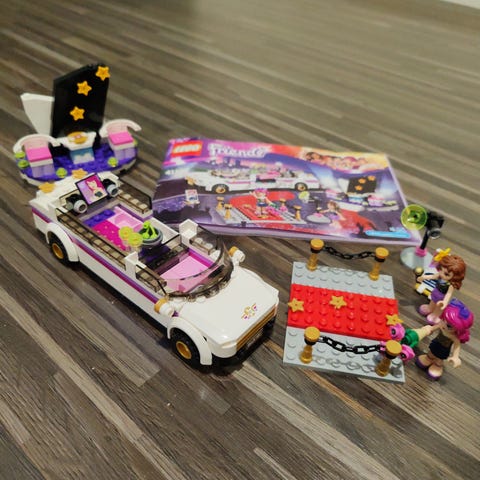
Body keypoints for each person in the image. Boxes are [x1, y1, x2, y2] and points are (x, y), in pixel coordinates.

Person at [416, 298, 474, 380]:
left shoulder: (453, 336)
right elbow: (434, 327)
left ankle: (437, 365)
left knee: (439, 359)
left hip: (444, 348)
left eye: (449, 326)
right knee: (431, 353)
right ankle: (429, 358)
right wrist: (430, 329)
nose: (443, 324)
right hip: (436, 342)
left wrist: (455, 357)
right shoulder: (441, 325)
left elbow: (457, 346)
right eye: (443, 319)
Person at [417, 254, 466, 324]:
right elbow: (432, 277)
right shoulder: (439, 275)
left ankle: (436, 315)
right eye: (440, 269)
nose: (442, 274)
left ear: (455, 277)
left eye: (446, 274)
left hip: (442, 298)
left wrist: (445, 302)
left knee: (438, 308)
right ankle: (430, 308)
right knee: (433, 301)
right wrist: (423, 277)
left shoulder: (450, 285)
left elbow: (449, 294)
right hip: (435, 292)